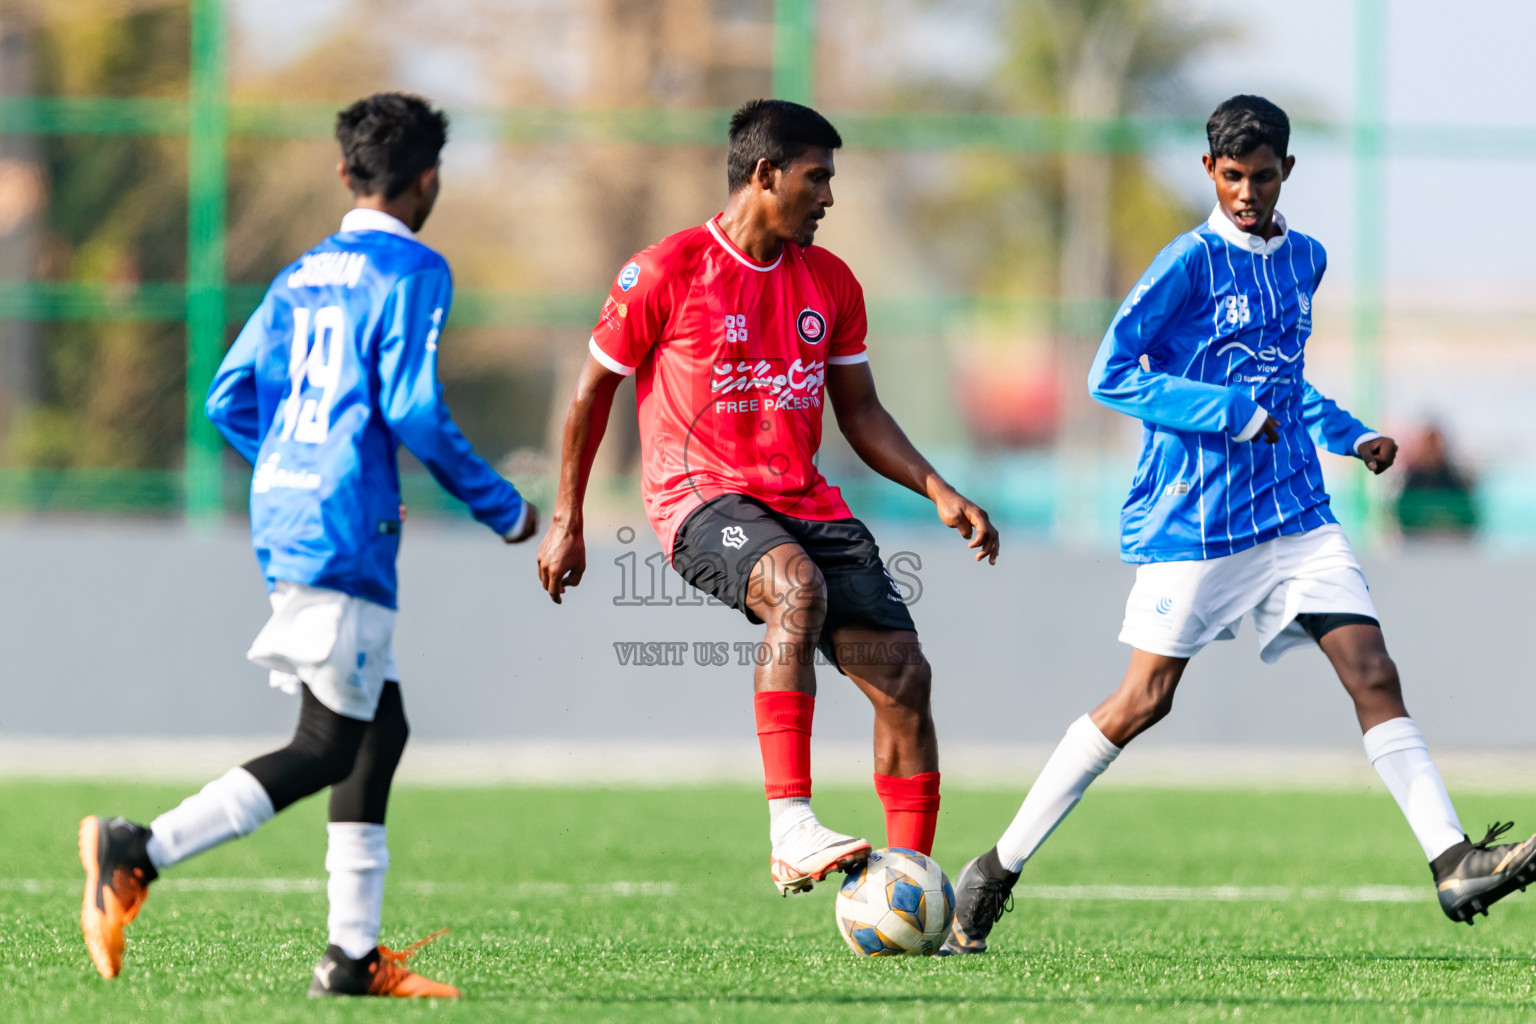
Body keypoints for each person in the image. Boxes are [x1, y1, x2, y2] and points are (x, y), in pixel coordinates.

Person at [940, 95, 1536, 956]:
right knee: (1145, 699)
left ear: (1286, 172)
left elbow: (1286, 383)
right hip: (1199, 522)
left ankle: (1454, 861)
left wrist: (1348, 433)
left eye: (1262, 176)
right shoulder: (1184, 263)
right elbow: (1112, 374)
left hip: (1295, 510)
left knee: (1372, 669)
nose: (1247, 192)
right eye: (1232, 177)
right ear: (1210, 173)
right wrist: (1225, 411)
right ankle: (994, 868)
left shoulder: (1308, 260)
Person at [76, 92, 537, 997]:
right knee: (329, 741)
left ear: (344, 172)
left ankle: (352, 958)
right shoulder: (413, 270)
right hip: (343, 524)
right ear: (429, 179)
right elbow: (410, 408)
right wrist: (503, 507)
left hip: (287, 510)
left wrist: (293, 461)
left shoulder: (301, 274)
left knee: (378, 727)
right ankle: (141, 848)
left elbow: (227, 397)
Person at [536, 99, 999, 895]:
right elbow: (590, 394)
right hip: (698, 500)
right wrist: (567, 520)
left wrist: (937, 489)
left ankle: (912, 886)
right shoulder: (666, 270)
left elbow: (859, 411)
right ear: (764, 174)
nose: (828, 197)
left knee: (905, 678)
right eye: (816, 178)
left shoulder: (831, 283)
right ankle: (791, 826)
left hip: (809, 503)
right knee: (795, 587)